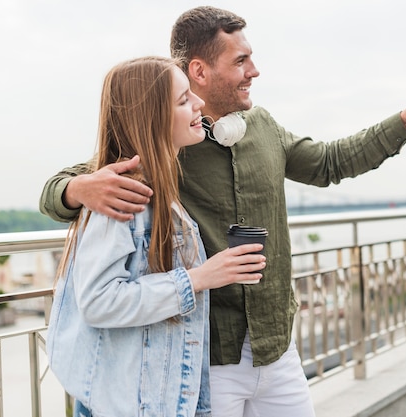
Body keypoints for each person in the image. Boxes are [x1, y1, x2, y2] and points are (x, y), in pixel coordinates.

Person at [40, 6, 406, 417]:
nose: (254, 71)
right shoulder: (159, 145)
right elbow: (70, 188)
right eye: (241, 60)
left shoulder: (263, 127)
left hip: (276, 348)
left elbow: (331, 163)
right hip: (208, 357)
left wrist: (403, 123)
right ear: (200, 71)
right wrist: (76, 189)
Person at [46, 55, 266, 417]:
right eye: (183, 100)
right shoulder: (123, 197)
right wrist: (199, 278)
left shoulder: (157, 192)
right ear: (153, 118)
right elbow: (98, 301)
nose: (198, 103)